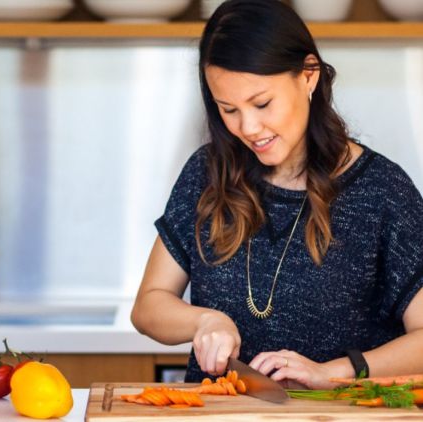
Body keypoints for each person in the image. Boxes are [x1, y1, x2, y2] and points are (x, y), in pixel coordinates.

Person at [131, 0, 423, 390]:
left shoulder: (381, 191)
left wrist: (333, 372)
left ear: (308, 76)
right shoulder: (208, 173)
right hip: (218, 415)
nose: (249, 127)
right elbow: (149, 304)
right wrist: (203, 320)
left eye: (262, 103)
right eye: (228, 109)